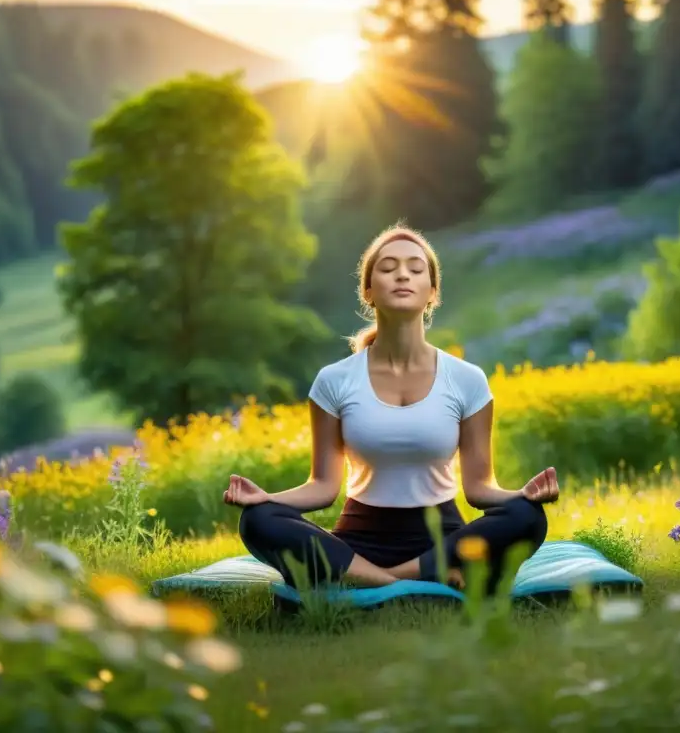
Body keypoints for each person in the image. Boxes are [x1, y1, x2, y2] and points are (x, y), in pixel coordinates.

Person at [223, 222, 559, 594]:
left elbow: (479, 489)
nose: (402, 274)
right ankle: (399, 582)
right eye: (387, 268)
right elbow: (322, 487)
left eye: (416, 269)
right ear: (368, 290)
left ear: (432, 292)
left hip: (442, 542)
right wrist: (266, 499)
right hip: (359, 544)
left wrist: (522, 495)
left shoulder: (467, 379)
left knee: (527, 517)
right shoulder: (334, 380)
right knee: (258, 520)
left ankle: (369, 582)